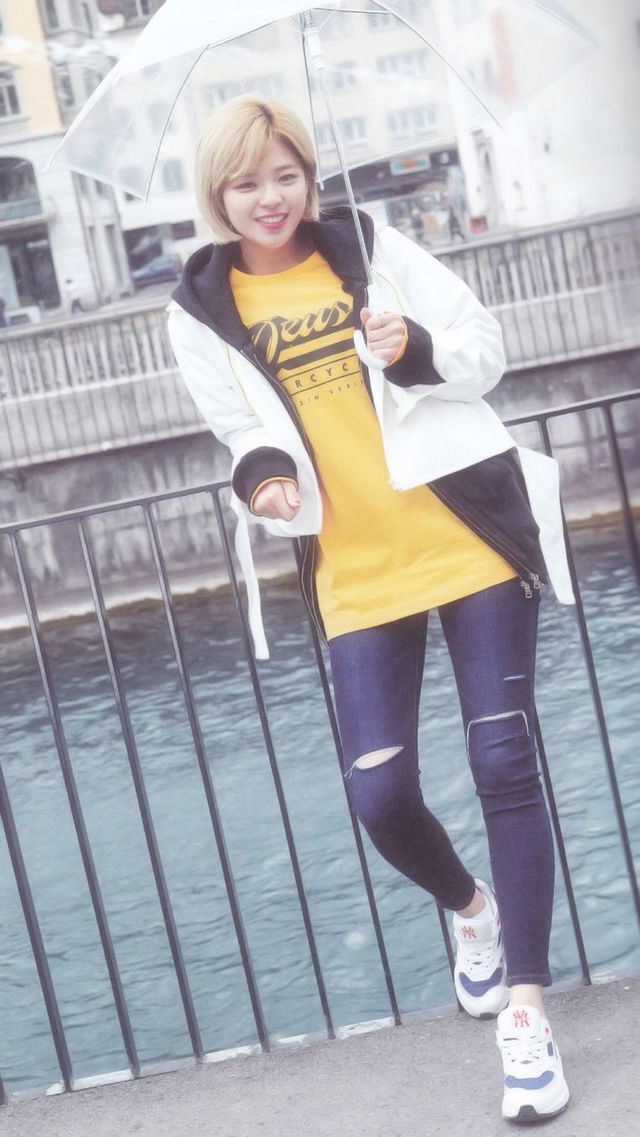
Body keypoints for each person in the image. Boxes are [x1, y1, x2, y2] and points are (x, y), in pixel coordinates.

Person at [167, 95, 574, 1125]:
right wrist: (262, 479)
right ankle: (470, 910)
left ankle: (528, 1016)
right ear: (217, 194)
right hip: (353, 565)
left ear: (310, 177)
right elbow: (239, 430)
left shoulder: (373, 247)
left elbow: (485, 349)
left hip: (467, 535)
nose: (270, 197)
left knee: (502, 761)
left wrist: (413, 346)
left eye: (286, 174)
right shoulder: (197, 307)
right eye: (247, 182)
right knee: (380, 796)